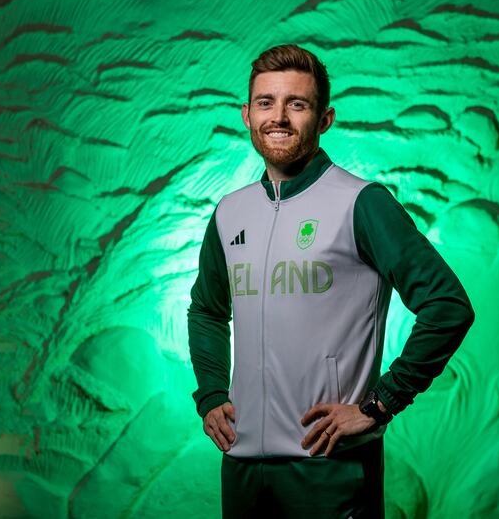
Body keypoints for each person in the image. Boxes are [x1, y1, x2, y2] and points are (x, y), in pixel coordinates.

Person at [188, 44, 474, 518]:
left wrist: (380, 403)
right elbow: (207, 310)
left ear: (324, 119)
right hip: (241, 470)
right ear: (246, 114)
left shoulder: (361, 202)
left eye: (296, 104)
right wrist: (212, 394)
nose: (278, 116)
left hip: (330, 468)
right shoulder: (228, 213)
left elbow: (447, 304)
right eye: (266, 102)